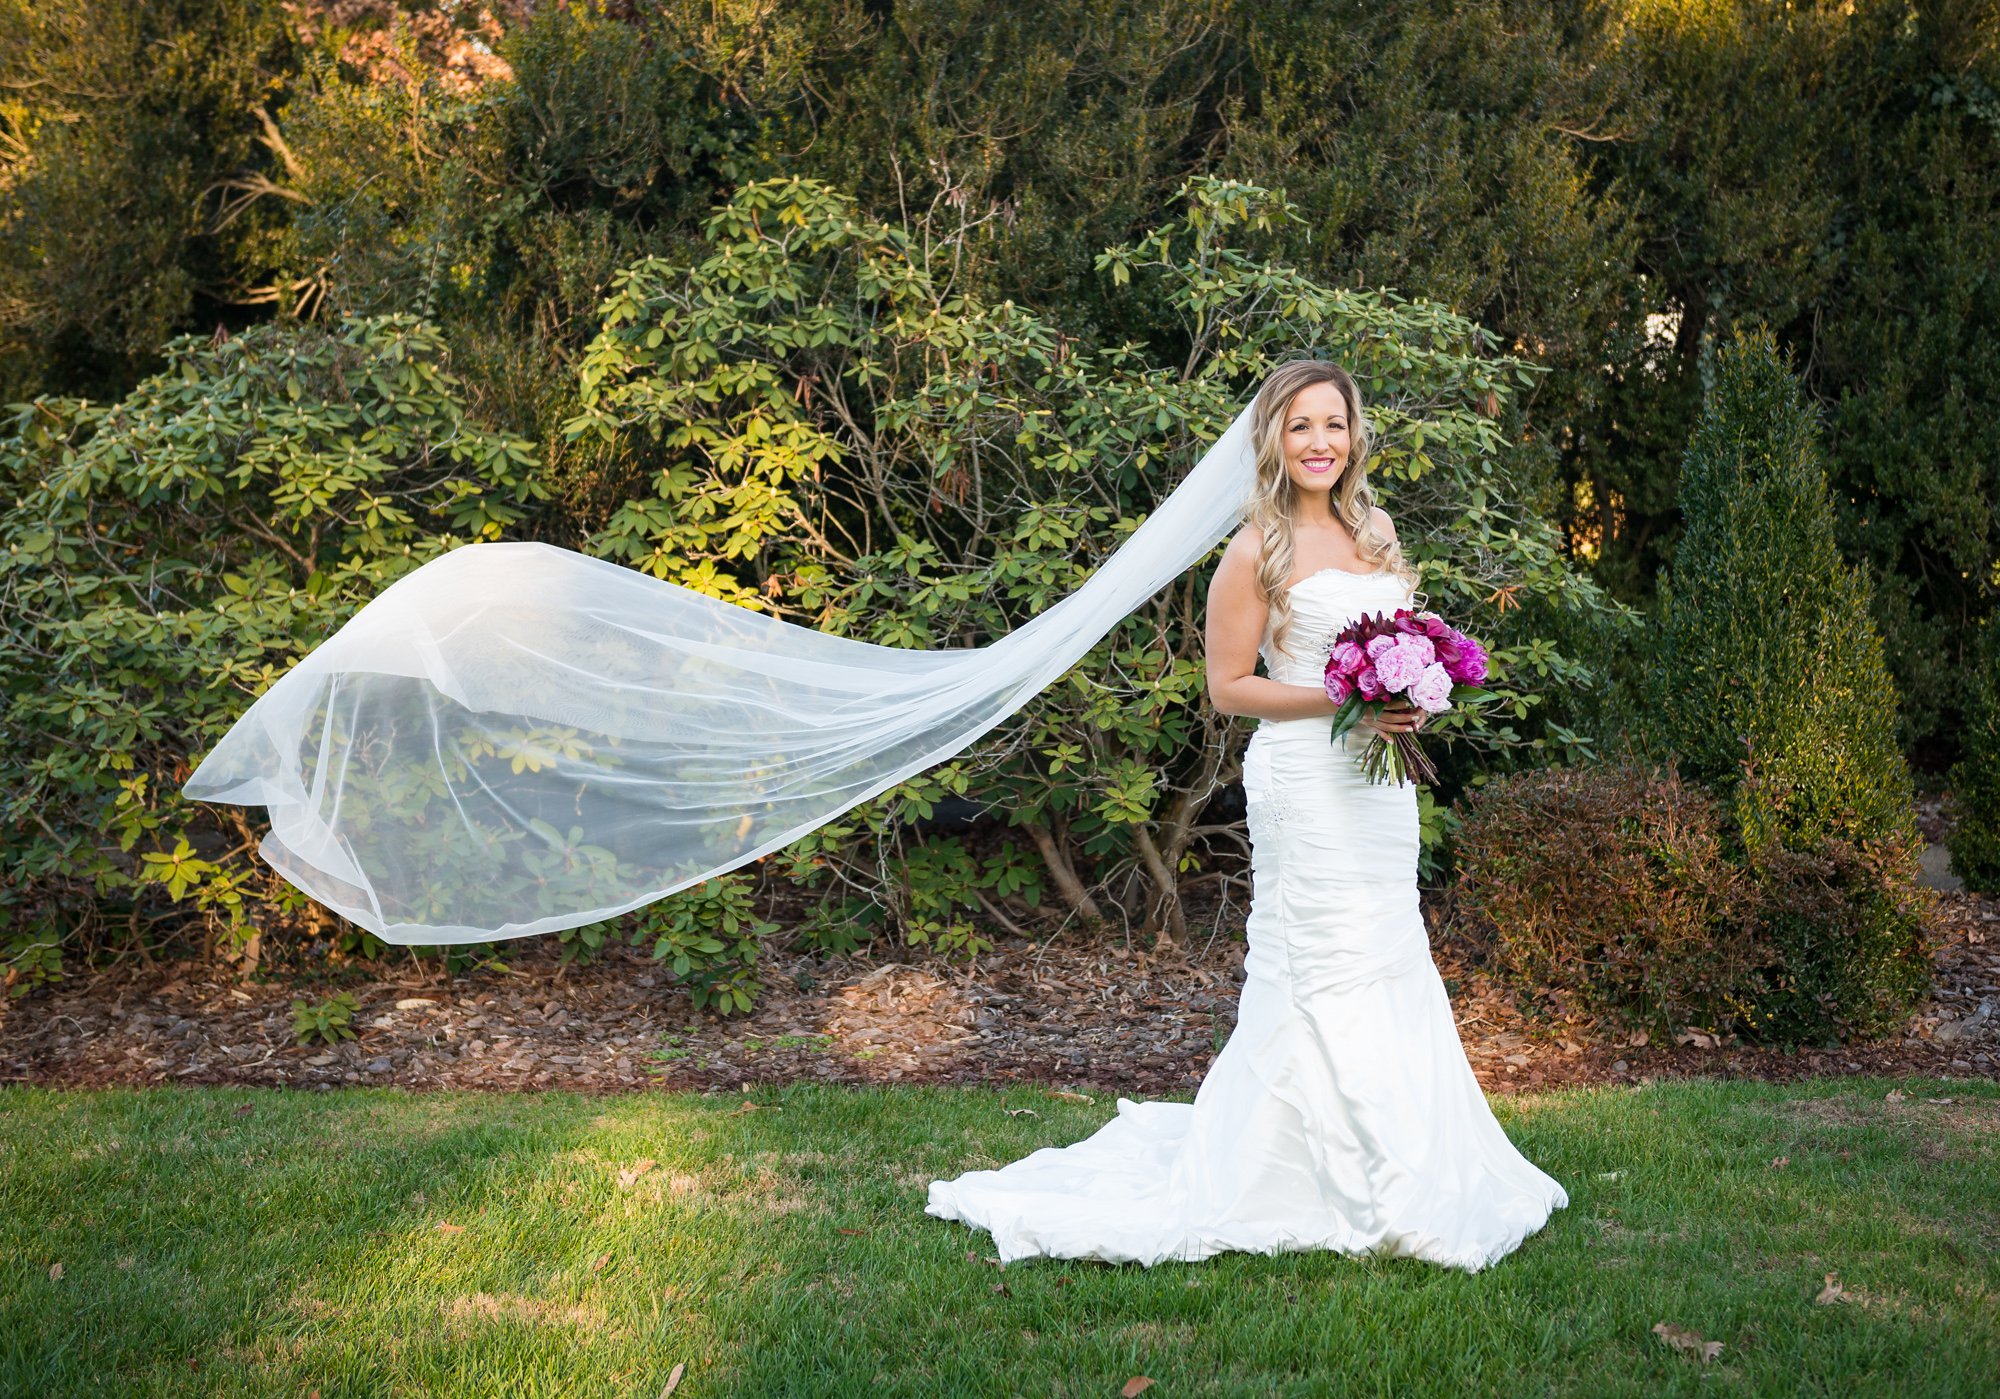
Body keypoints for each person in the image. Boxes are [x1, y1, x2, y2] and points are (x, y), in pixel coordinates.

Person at [924, 359, 1571, 1270]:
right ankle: (1293, 1172)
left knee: (1387, 949)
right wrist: (1340, 699)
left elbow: (1400, 641)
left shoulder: (1376, 529)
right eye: (1301, 426)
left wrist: (1411, 693)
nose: (1320, 443)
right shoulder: (1254, 547)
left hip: (1379, 786)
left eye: (1334, 425)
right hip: (1304, 783)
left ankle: (1412, 1160)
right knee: (1317, 959)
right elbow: (1229, 688)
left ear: (1355, 436)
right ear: (1274, 437)